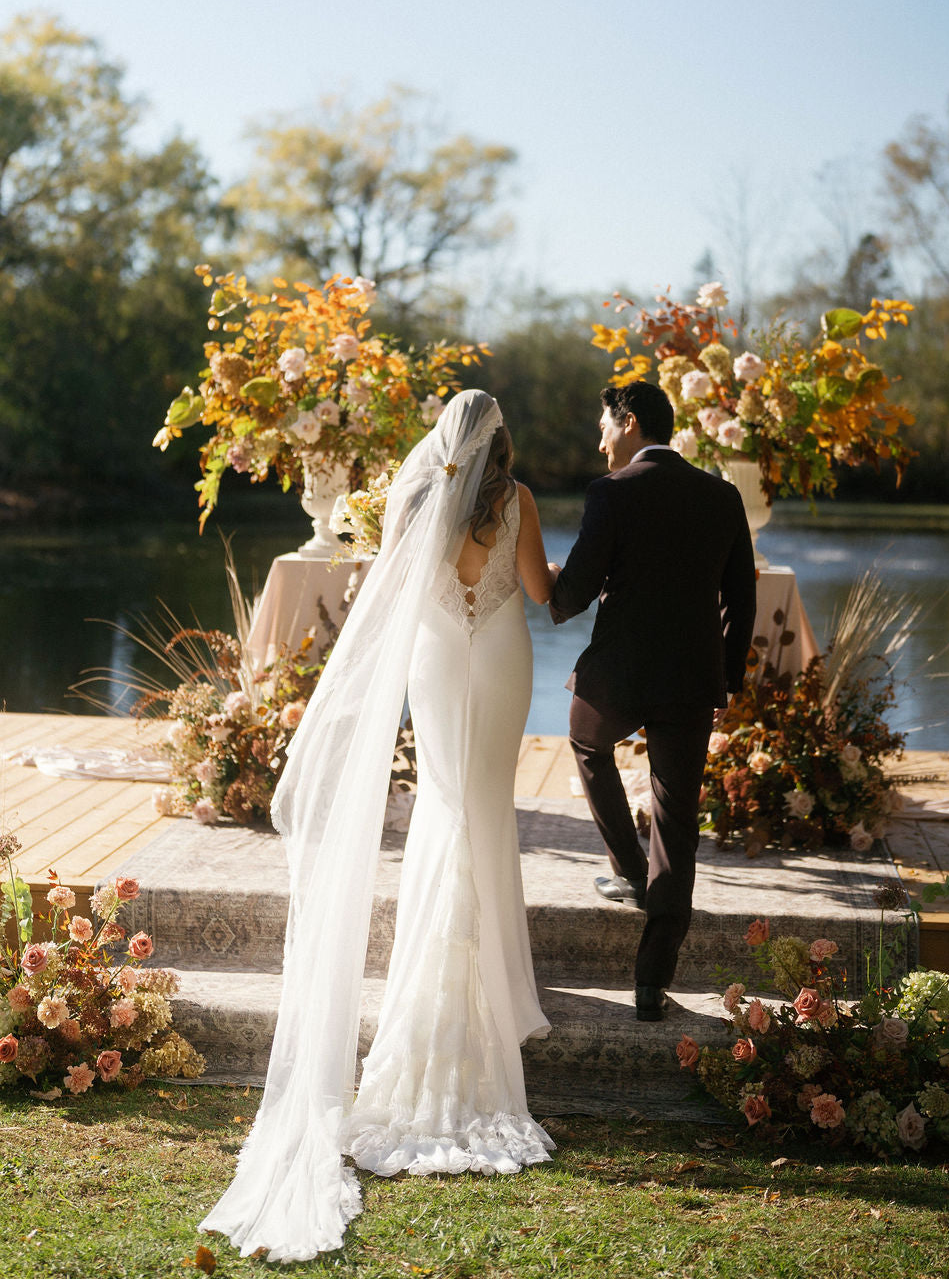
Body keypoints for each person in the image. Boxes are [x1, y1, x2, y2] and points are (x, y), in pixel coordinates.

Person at [202, 390, 555, 1263]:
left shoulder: (413, 498)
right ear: (501, 443)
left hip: (437, 658)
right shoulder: (519, 504)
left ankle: (432, 1006)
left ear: (443, 440)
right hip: (502, 656)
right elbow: (544, 593)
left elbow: (386, 593)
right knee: (484, 809)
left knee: (442, 805)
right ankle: (487, 1005)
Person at [549, 380, 756, 1022]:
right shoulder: (723, 496)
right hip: (692, 680)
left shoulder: (609, 493)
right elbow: (741, 597)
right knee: (677, 819)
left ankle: (630, 872)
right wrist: (724, 678)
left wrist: (550, 593)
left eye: (603, 426)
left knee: (587, 743)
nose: (599, 440)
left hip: (618, 676)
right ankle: (650, 983)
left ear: (629, 422)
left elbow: (577, 587)